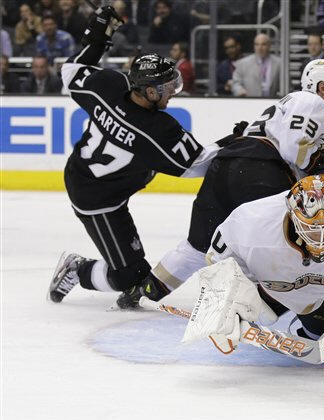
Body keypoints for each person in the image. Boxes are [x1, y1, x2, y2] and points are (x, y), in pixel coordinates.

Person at [115, 59, 324, 310]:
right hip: (261, 175)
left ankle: (144, 291)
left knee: (196, 248)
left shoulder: (287, 104)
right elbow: (294, 151)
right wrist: (317, 162)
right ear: (323, 88)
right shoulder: (313, 103)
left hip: (224, 167)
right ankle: (276, 307)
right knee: (283, 247)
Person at [47, 6, 228, 304]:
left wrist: (96, 40)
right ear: (150, 92)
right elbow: (199, 165)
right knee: (130, 277)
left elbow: (70, 72)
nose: (173, 91)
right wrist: (239, 141)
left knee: (134, 270)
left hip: (94, 177)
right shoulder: (156, 129)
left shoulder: (109, 84)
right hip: (97, 198)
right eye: (167, 86)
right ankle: (78, 269)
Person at [186, 175, 324, 374]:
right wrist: (221, 305)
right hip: (271, 288)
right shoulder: (248, 222)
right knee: (246, 300)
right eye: (311, 228)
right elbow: (219, 264)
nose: (320, 238)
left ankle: (315, 323)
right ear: (292, 214)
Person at [231, 33, 280, 97]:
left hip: (272, 101)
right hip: (250, 101)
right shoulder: (243, 63)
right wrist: (240, 91)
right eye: (257, 44)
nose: (260, 48)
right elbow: (235, 83)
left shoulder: (279, 63)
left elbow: (285, 86)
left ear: (269, 46)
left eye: (263, 44)